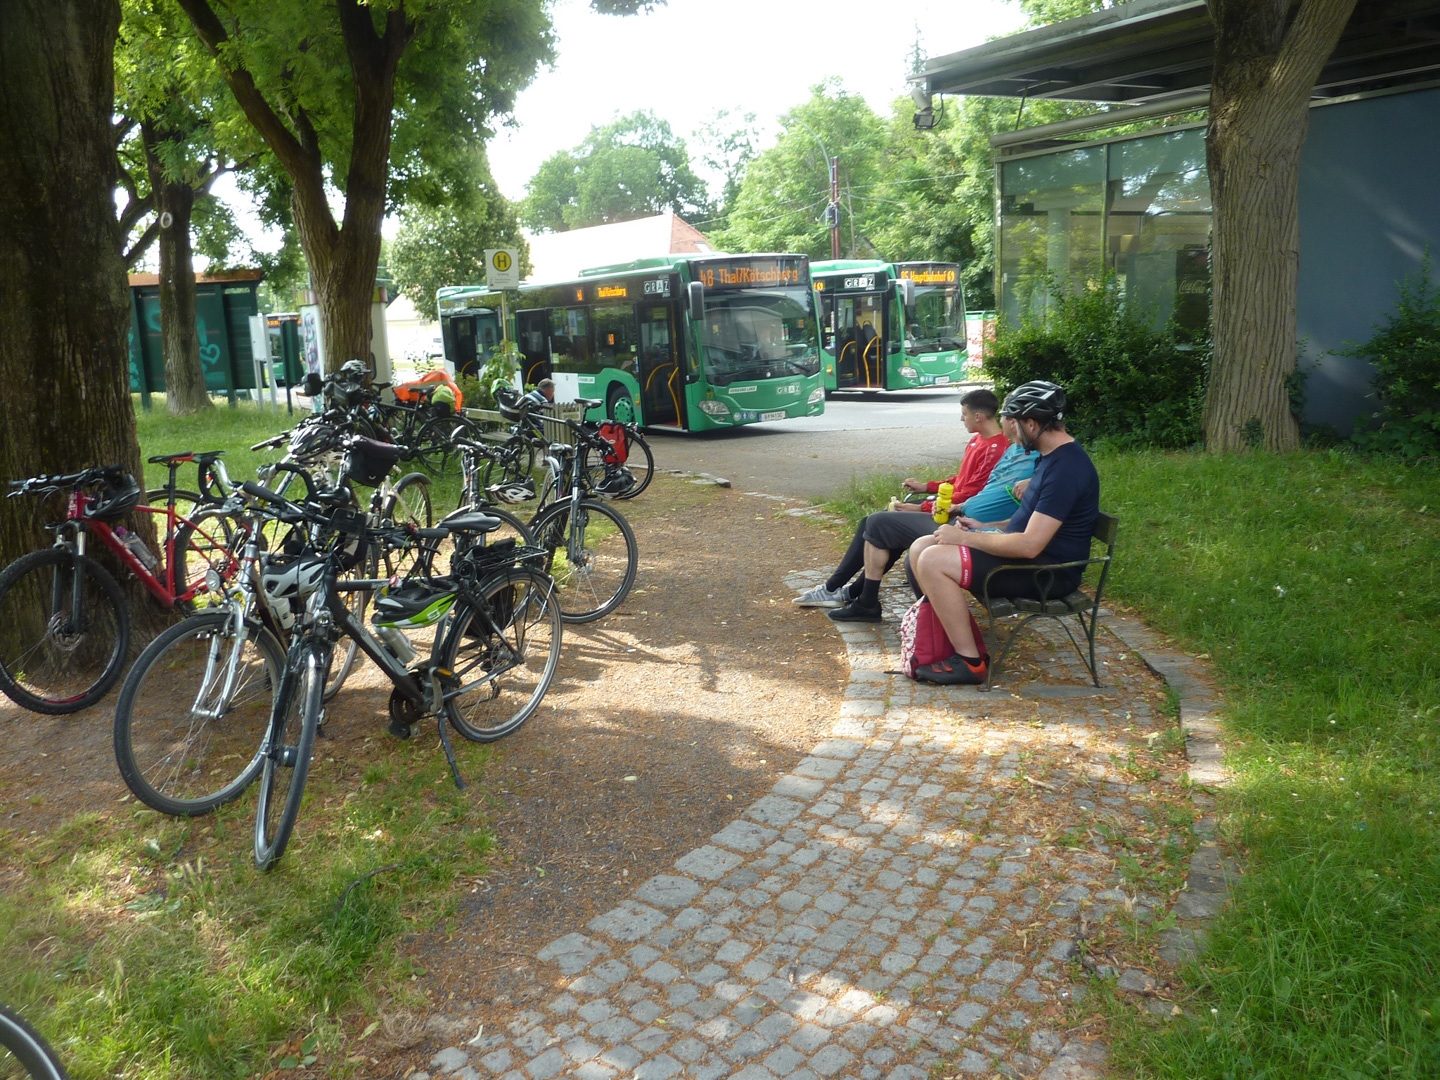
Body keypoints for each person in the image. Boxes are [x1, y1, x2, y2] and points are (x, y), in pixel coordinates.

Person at [906, 380, 1100, 685]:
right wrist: (984, 528)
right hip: (1031, 559)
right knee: (921, 546)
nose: (1011, 434)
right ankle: (951, 639)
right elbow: (1031, 522)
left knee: (933, 560)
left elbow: (1030, 545)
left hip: (1048, 573)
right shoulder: (1052, 458)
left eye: (1013, 425)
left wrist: (964, 538)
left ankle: (971, 662)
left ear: (1031, 424)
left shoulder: (1066, 469)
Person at [793, 388, 1010, 623]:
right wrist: (926, 486)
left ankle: (845, 592)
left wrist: (921, 507)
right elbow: (960, 480)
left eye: (964, 414)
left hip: (956, 517)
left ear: (978, 416)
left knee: (880, 524)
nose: (961, 418)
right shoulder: (978, 440)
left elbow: (970, 494)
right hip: (949, 508)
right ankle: (852, 592)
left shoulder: (995, 449)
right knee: (874, 523)